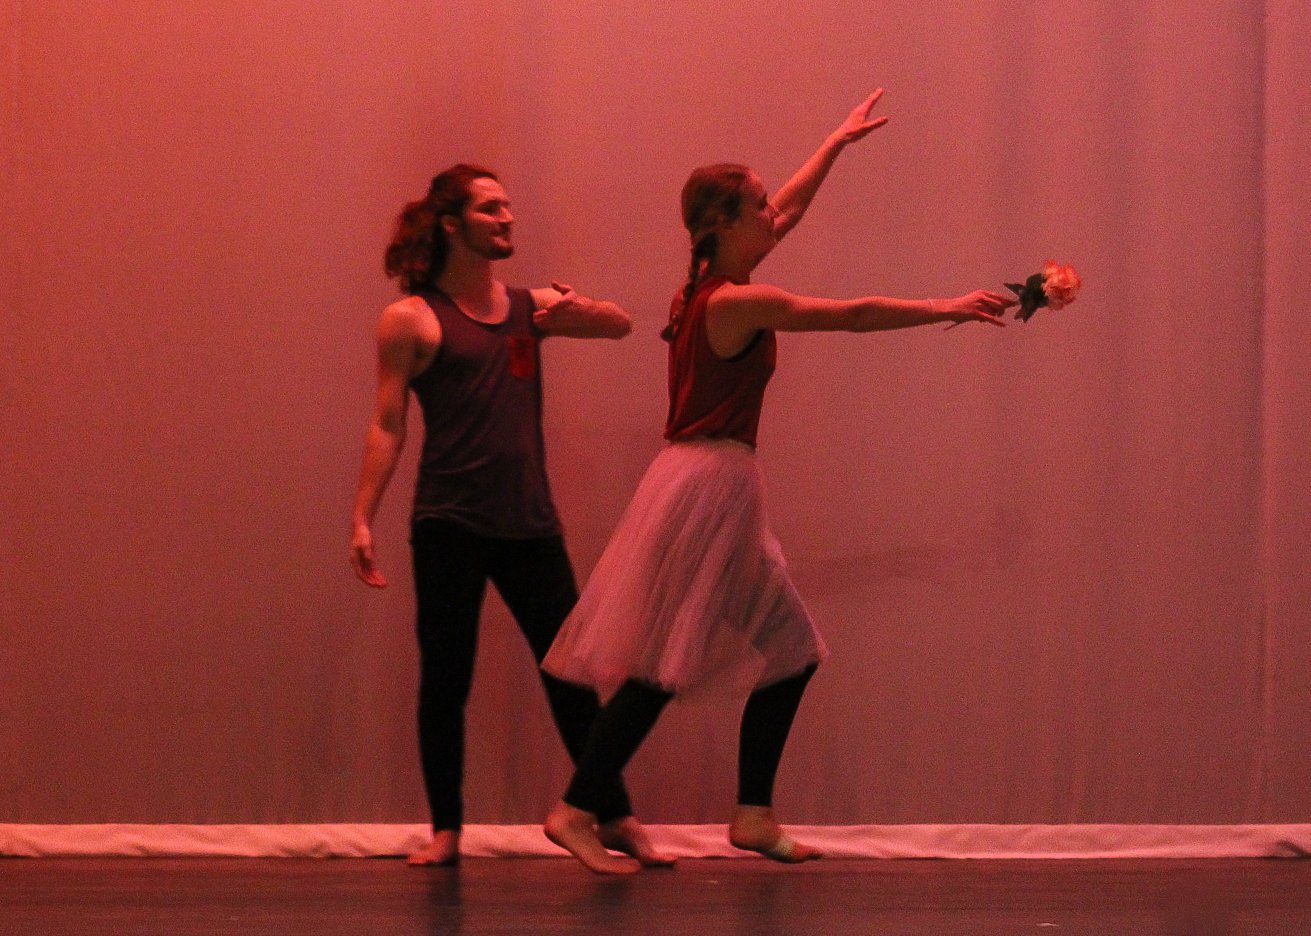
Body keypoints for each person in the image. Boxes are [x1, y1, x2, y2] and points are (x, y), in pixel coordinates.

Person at [541, 91, 1014, 874]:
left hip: (711, 485)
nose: (773, 216)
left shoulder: (702, 287)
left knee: (785, 648)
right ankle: (575, 807)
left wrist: (833, 144)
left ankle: (751, 815)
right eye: (757, 207)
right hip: (704, 488)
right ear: (722, 225)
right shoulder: (735, 302)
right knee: (666, 659)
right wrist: (948, 307)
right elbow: (851, 314)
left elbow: (787, 209)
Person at [350, 163, 670, 867]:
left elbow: (620, 327)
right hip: (449, 523)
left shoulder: (533, 307)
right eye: (491, 208)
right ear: (451, 223)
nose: (507, 218)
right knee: (446, 678)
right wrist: (363, 518)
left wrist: (584, 313)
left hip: (529, 522)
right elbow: (386, 423)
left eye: (508, 208)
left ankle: (610, 814)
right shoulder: (412, 318)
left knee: (571, 672)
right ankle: (445, 831)